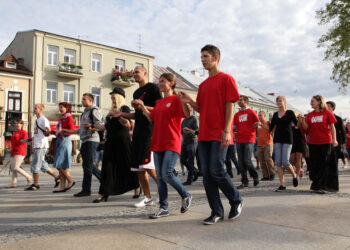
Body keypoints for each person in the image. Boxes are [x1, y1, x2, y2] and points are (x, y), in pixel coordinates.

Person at [178, 44, 243, 225]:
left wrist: (227, 130)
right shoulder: (203, 85)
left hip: (220, 133)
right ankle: (216, 211)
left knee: (217, 170)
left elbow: (231, 106)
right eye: (201, 57)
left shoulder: (227, 79)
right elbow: (201, 108)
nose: (202, 60)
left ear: (216, 58)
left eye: (205, 56)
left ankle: (236, 199)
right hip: (205, 134)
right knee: (206, 174)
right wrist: (189, 101)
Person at [134, 73, 192, 218]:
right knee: (160, 177)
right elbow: (151, 118)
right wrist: (142, 107)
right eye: (159, 81)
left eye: (162, 81)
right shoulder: (159, 102)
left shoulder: (176, 99)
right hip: (158, 141)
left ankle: (185, 195)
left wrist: (184, 101)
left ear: (171, 83)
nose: (159, 84)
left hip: (171, 141)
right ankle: (164, 208)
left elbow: (187, 114)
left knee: (166, 173)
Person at [110, 66, 161, 208]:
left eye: (137, 72)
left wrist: (143, 105)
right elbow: (136, 115)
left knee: (148, 167)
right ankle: (147, 197)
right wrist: (120, 114)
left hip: (149, 132)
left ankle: (163, 192)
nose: (134, 75)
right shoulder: (136, 92)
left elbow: (159, 109)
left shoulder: (153, 88)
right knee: (138, 168)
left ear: (145, 73)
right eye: (133, 73)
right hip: (138, 132)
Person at [91, 87, 139, 203]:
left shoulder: (124, 108)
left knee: (127, 165)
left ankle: (137, 187)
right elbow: (105, 127)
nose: (112, 97)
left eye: (114, 95)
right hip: (110, 141)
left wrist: (118, 115)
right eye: (111, 95)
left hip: (122, 141)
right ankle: (103, 192)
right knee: (107, 167)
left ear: (119, 96)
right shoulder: (110, 111)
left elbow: (127, 124)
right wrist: (93, 125)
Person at [63, 93, 103, 197]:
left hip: (92, 140)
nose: (82, 101)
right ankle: (105, 180)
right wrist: (69, 132)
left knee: (88, 166)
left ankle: (86, 190)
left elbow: (101, 126)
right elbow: (81, 129)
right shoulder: (84, 113)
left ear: (91, 100)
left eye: (84, 99)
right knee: (87, 165)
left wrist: (92, 126)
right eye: (82, 99)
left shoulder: (94, 111)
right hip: (85, 141)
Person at [298, 95, 338, 193]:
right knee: (315, 164)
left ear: (319, 102)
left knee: (324, 163)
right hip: (313, 142)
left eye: (313, 101)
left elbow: (332, 127)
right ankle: (316, 184)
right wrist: (302, 121)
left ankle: (324, 186)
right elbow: (307, 128)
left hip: (326, 141)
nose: (311, 103)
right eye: (310, 101)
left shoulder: (327, 113)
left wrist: (334, 140)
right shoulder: (310, 115)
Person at [25, 104, 59, 190]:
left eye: (36, 108)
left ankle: (35, 184)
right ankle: (57, 177)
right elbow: (36, 135)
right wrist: (27, 141)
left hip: (41, 145)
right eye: (34, 108)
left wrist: (48, 131)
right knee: (43, 165)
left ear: (41, 110)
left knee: (35, 164)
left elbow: (48, 129)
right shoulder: (36, 121)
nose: (34, 109)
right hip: (37, 144)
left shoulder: (43, 119)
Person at [270, 96, 299, 192]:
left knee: (285, 162)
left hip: (287, 139)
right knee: (278, 163)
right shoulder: (275, 114)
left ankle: (294, 175)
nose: (278, 102)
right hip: (277, 139)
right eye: (277, 101)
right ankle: (282, 185)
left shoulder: (289, 113)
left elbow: (297, 124)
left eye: (280, 101)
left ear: (285, 102)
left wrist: (299, 119)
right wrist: (261, 125)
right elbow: (271, 127)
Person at [234, 96, 260, 189]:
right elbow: (234, 126)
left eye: (241, 100)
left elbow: (258, 122)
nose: (239, 102)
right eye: (238, 100)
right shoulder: (236, 115)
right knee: (241, 163)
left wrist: (257, 125)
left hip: (249, 139)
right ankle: (245, 182)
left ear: (246, 102)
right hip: (239, 139)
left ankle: (255, 176)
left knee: (247, 160)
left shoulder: (251, 112)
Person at [52, 102, 75, 193]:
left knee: (58, 164)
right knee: (61, 165)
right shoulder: (61, 119)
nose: (60, 109)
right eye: (59, 107)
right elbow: (58, 132)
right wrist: (50, 132)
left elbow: (71, 130)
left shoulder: (69, 118)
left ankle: (70, 180)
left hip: (65, 141)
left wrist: (64, 131)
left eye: (62, 107)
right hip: (59, 140)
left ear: (67, 108)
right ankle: (62, 186)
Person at [325, 101, 345, 192]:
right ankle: (327, 183)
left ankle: (334, 185)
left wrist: (343, 142)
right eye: (326, 106)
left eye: (328, 106)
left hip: (335, 144)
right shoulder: (324, 117)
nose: (326, 108)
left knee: (334, 164)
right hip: (326, 143)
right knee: (327, 164)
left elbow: (342, 131)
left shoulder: (338, 118)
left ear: (333, 108)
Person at [7, 120, 32, 188]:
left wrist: (23, 141)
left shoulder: (24, 132)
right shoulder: (15, 133)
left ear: (22, 125)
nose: (16, 125)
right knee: (13, 168)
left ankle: (28, 176)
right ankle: (13, 183)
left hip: (20, 151)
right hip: (13, 151)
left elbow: (25, 140)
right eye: (15, 124)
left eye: (17, 124)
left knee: (15, 167)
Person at [181, 115, 199, 185]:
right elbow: (181, 132)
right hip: (185, 142)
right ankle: (195, 171)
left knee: (191, 161)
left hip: (192, 141)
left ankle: (189, 179)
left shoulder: (194, 119)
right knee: (183, 160)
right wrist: (183, 132)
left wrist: (189, 131)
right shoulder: (184, 120)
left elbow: (197, 131)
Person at [257, 111, 275, 181]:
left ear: (264, 116)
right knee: (262, 160)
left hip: (268, 143)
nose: (259, 117)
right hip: (259, 144)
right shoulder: (258, 124)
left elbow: (271, 130)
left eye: (261, 115)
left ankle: (272, 174)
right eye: (259, 115)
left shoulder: (268, 123)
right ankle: (266, 176)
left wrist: (262, 125)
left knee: (268, 158)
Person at [290, 111, 306, 180]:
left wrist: (300, 120)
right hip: (292, 143)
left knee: (298, 159)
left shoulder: (301, 122)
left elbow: (300, 126)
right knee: (293, 160)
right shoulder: (289, 123)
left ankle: (297, 176)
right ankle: (300, 169)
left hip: (300, 142)